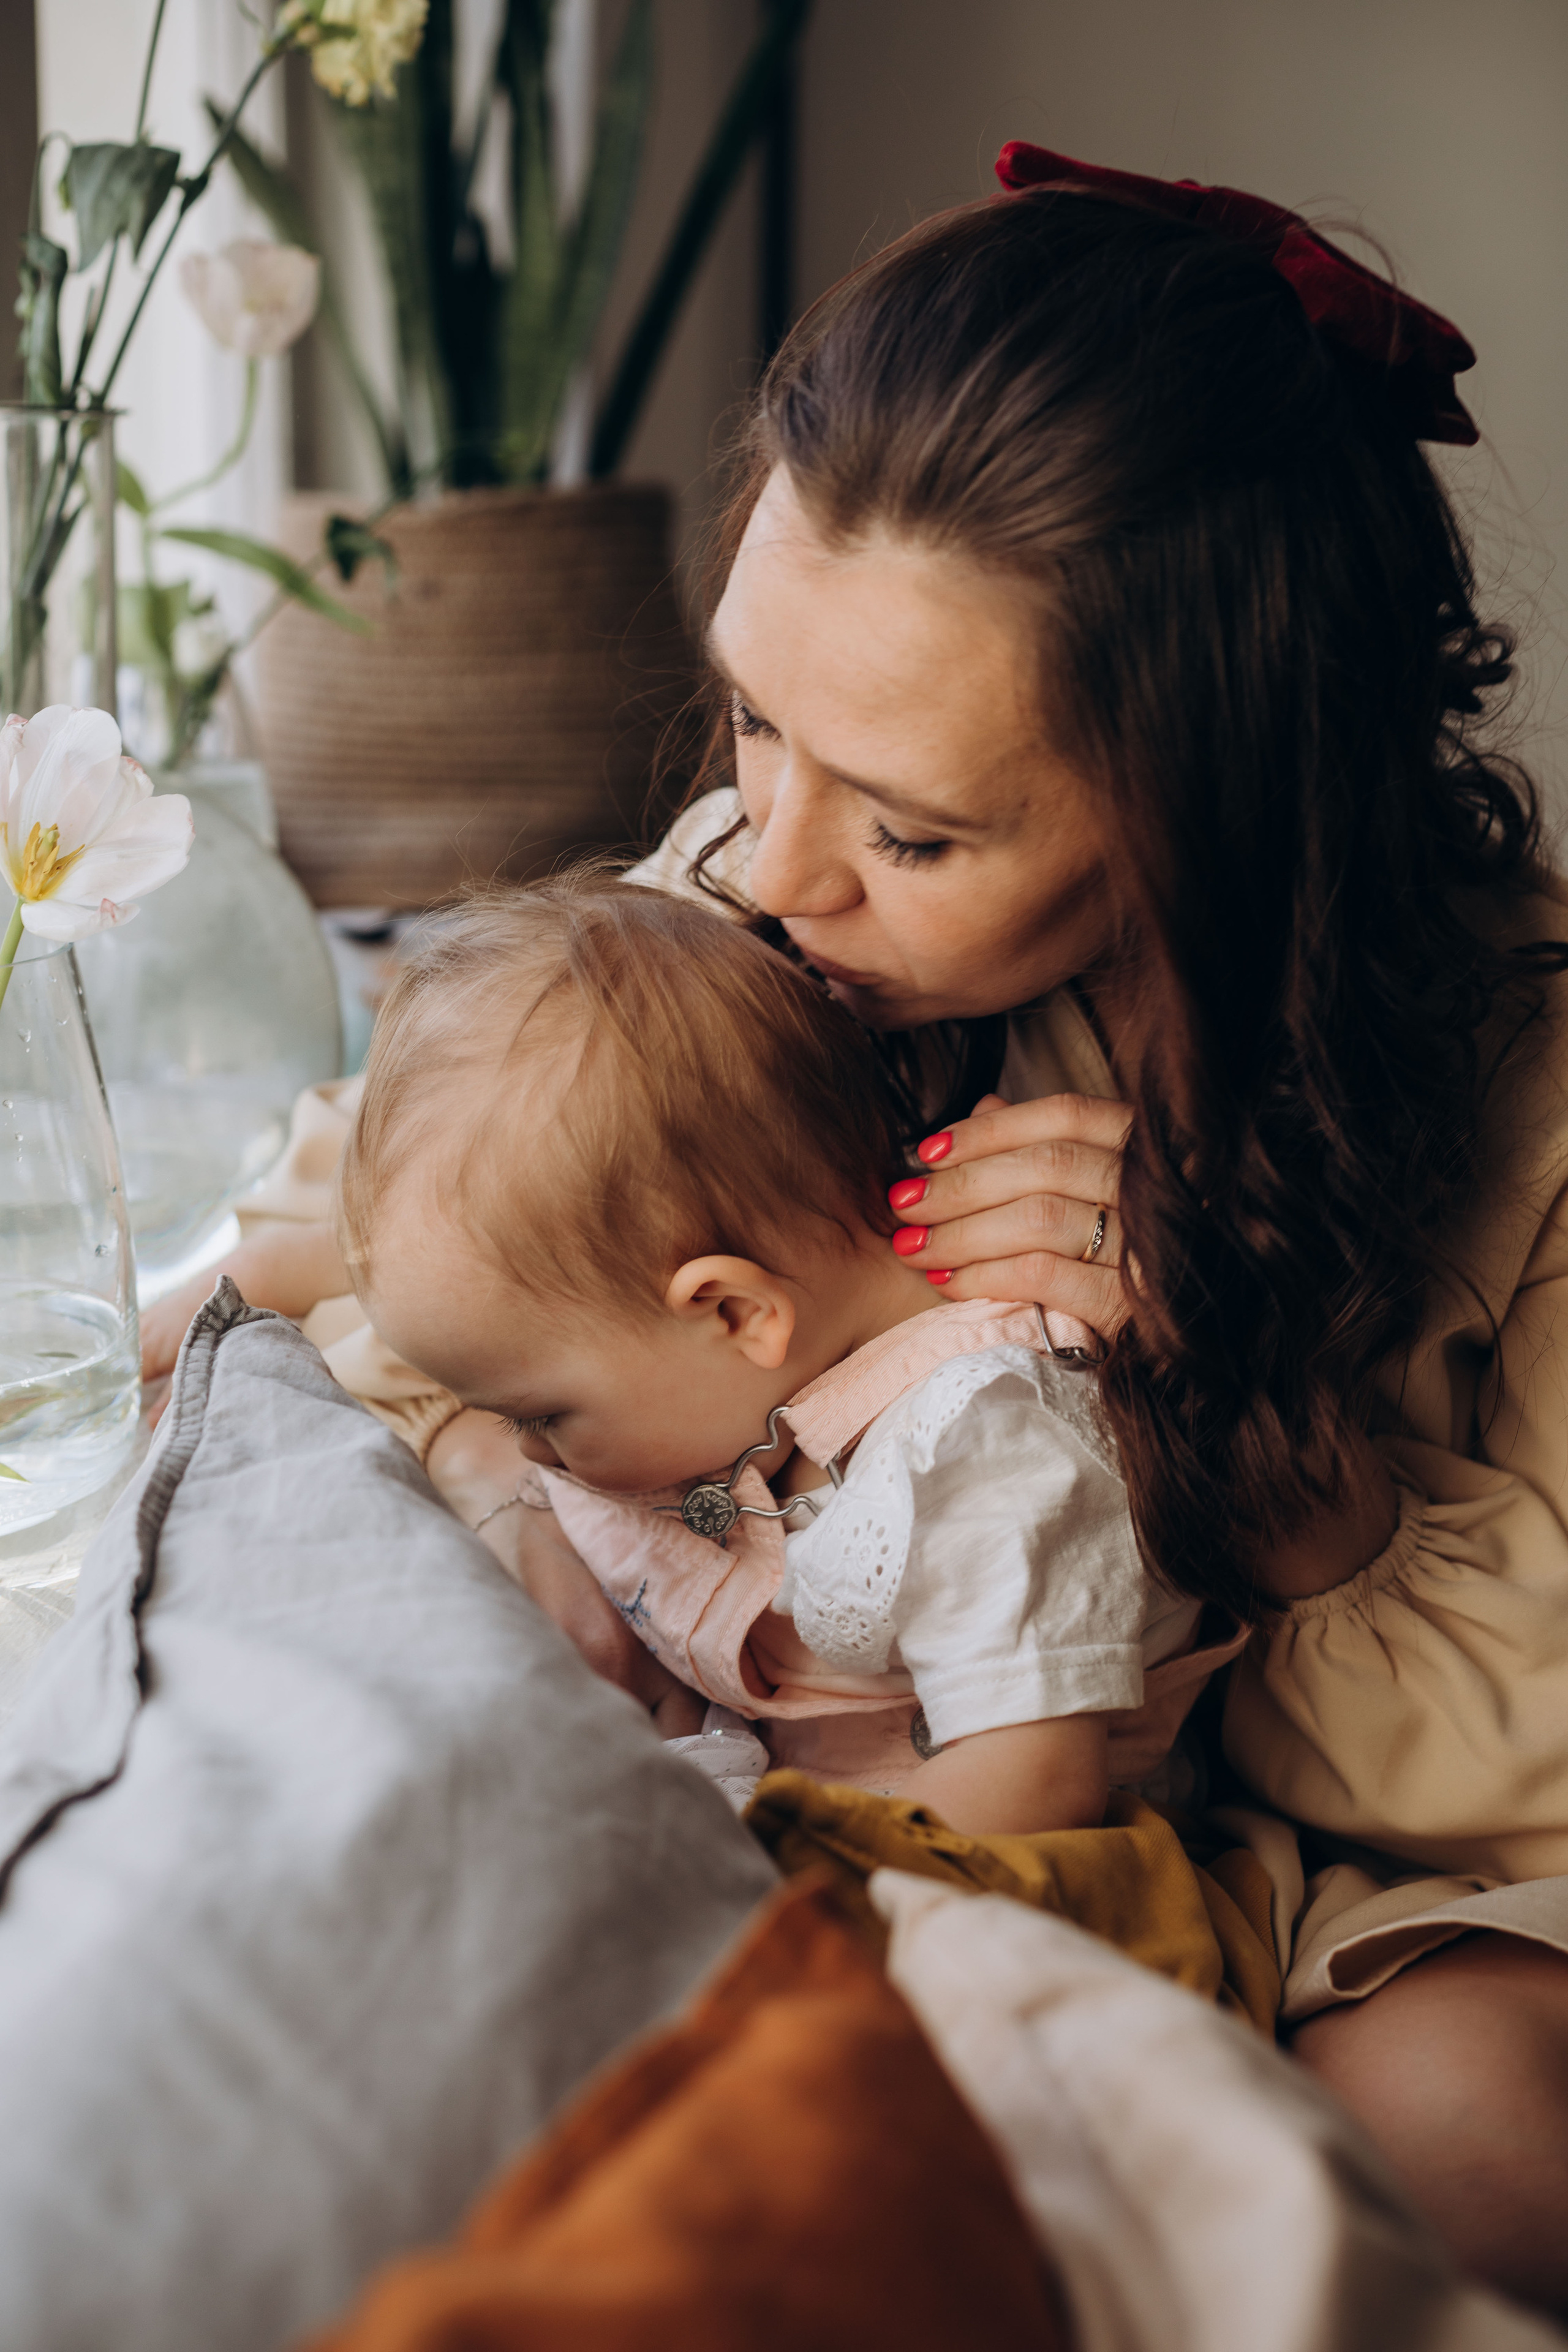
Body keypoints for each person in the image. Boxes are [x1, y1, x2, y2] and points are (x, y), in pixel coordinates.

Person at [141, 147, 1568, 2313]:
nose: (774, 864)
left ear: (1220, 796)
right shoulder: (766, 890)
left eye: (912, 829)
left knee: (1461, 2145)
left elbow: (1534, 1754)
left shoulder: (1526, 1091)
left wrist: (1286, 1483)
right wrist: (509, 1473)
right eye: (750, 720)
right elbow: (410, 1211)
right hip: (869, 1748)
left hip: (1396, 1841)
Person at [330, 874, 1212, 1834]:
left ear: (736, 1313)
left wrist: (751, 1889)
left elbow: (1034, 1791)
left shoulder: (980, 1451)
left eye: (544, 1417)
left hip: (955, 1872)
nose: (533, 1453)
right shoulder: (713, 1381)